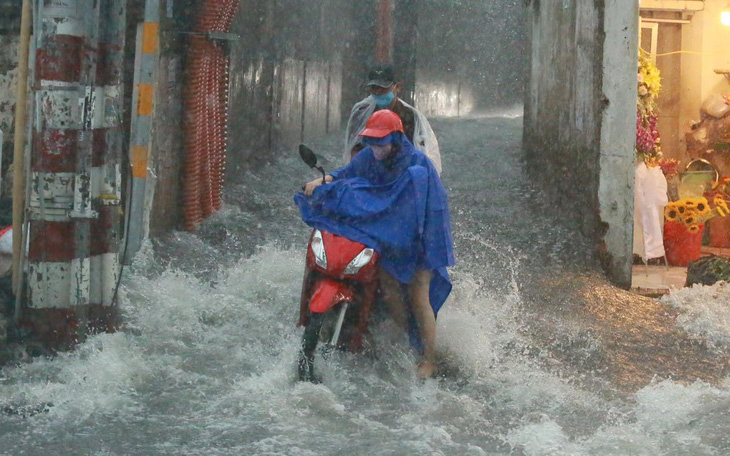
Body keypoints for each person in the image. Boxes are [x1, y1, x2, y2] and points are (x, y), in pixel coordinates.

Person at [296, 110, 454, 379]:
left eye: (381, 142)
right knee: (389, 287)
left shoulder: (418, 167)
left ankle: (428, 359)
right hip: (389, 233)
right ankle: (406, 341)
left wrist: (417, 241)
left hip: (420, 237)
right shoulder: (370, 156)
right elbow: (347, 173)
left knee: (419, 294)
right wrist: (324, 180)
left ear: (395, 138)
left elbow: (428, 209)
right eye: (372, 141)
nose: (376, 147)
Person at [344, 65, 442, 174]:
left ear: (397, 87)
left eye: (384, 88)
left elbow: (418, 151)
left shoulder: (410, 116)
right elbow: (354, 147)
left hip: (401, 174)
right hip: (369, 172)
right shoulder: (361, 112)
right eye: (374, 88)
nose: (378, 92)